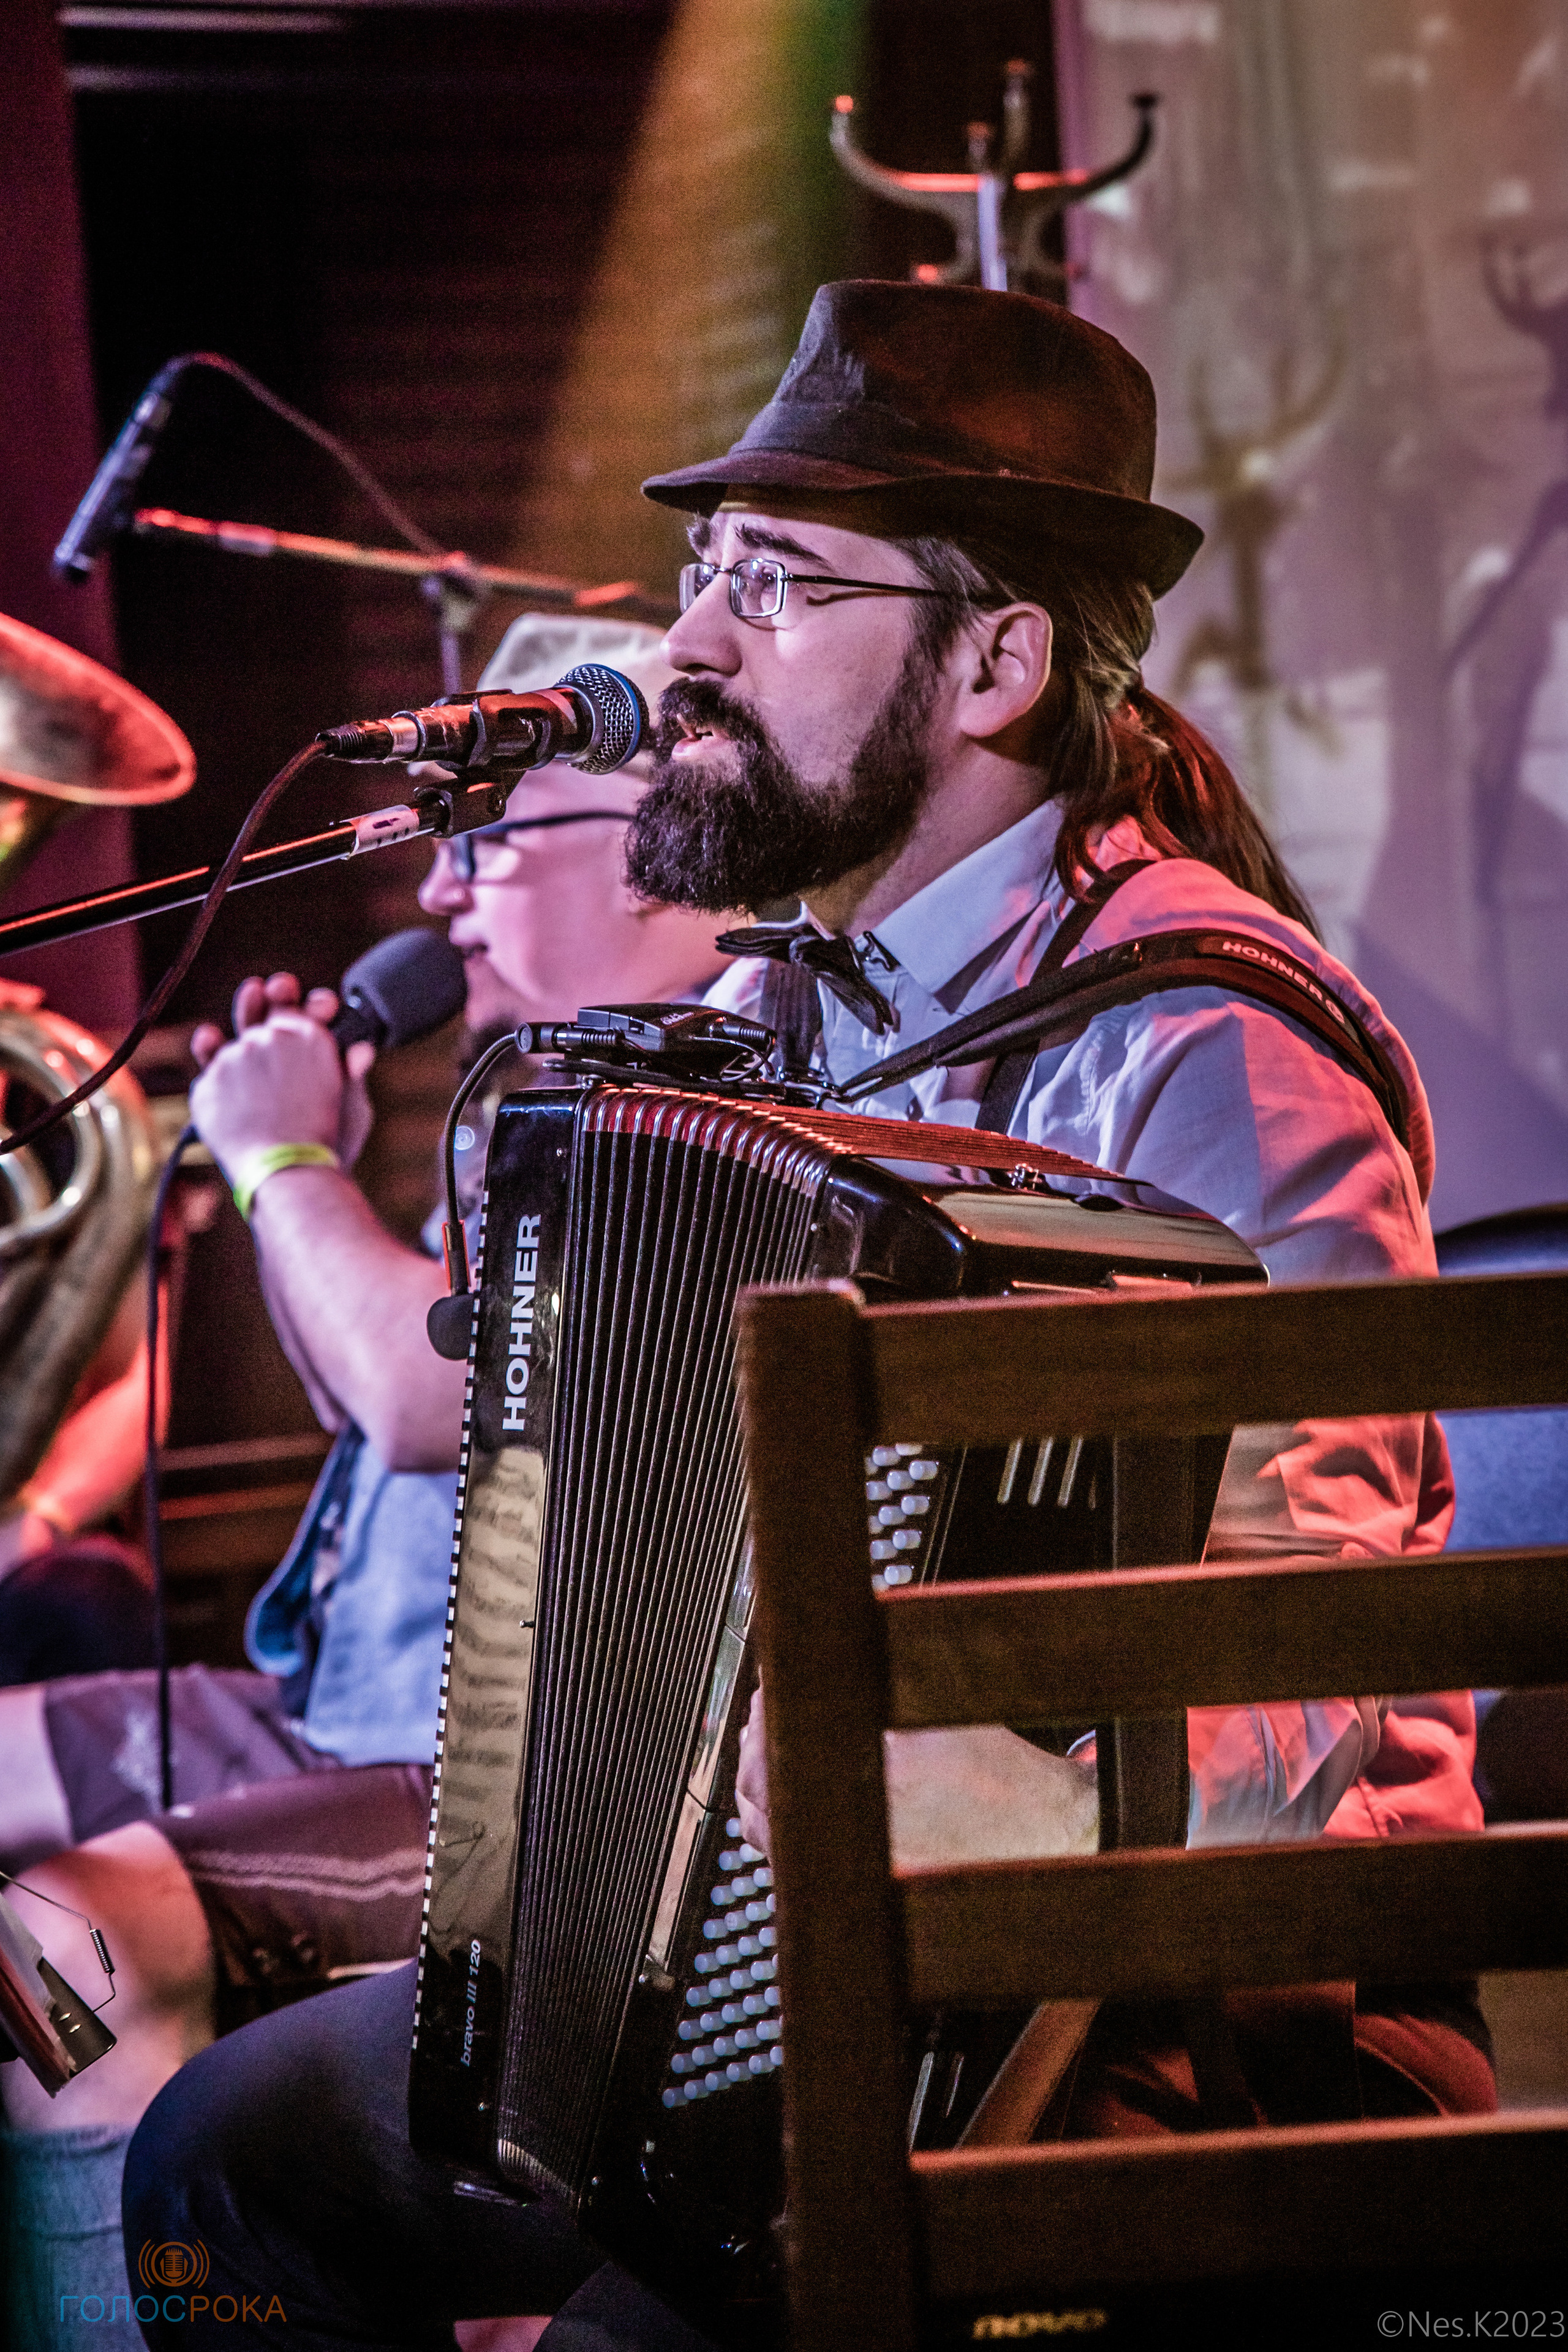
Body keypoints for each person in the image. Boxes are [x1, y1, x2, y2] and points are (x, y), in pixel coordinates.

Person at [124, 282, 1490, 2351]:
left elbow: (1315, 1675)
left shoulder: (1213, 1053)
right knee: (226, 2162)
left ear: (998, 660)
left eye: (772, 584)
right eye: (702, 578)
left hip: (1186, 2020)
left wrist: (976, 1789)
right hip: (764, 1961)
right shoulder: (767, 1022)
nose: (683, 649)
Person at [0, 614, 735, 2348]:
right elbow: (364, 1391)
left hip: (485, 1753)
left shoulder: (682, 1095)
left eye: (492, 841)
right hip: (336, 1696)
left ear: (649, 844)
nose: (448, 894)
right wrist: (291, 1173)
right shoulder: (523, 1094)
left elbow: (422, 1409)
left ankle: (156, 2302)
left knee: (55, 1946)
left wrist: (285, 1157)